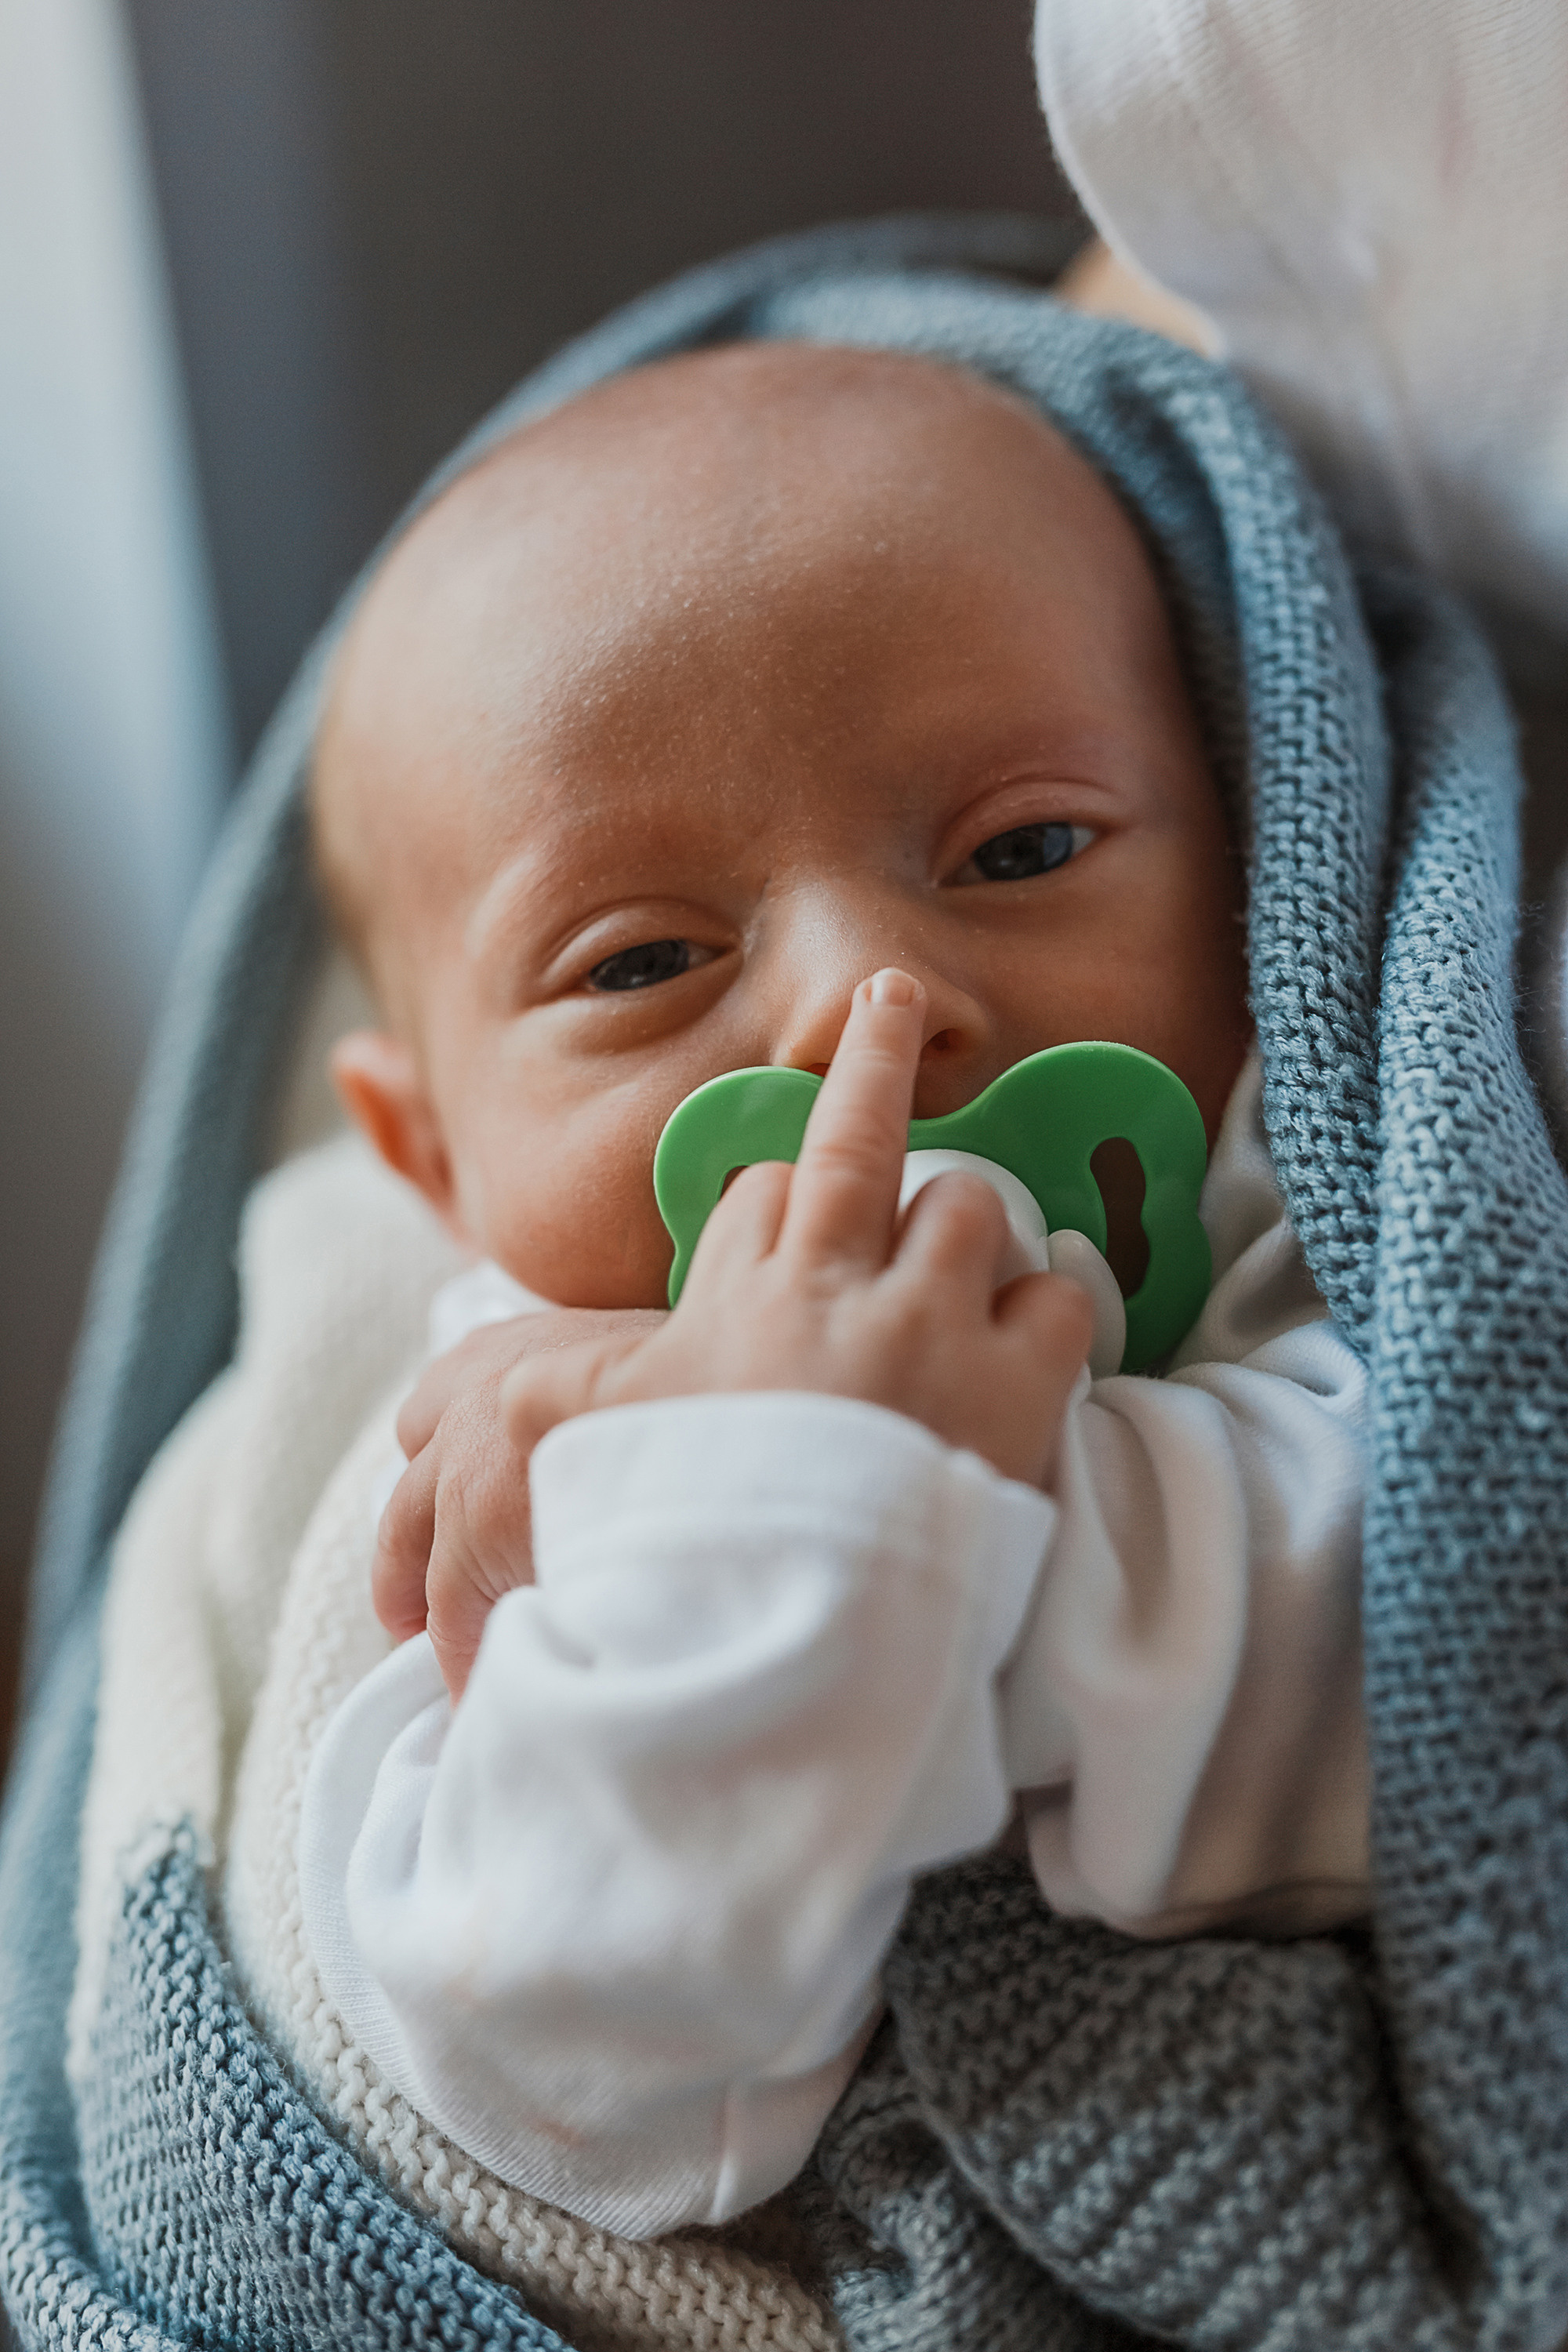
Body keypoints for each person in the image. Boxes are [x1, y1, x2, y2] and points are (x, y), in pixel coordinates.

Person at [278, 337, 1370, 2241]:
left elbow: (1457, 1638)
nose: (871, 999)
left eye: (1023, 848)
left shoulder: (1298, 1169)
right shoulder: (510, 1432)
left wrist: (977, 1507)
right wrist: (752, 1514)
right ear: (435, 1159)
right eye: (641, 963)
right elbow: (554, 2063)